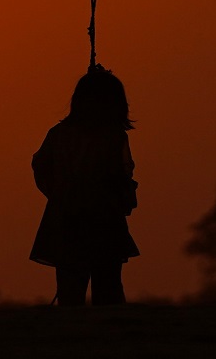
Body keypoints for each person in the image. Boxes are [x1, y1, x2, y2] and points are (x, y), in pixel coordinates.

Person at [30, 67, 140, 306]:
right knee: (108, 287)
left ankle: (72, 325)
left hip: (67, 219)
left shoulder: (59, 134)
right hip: (103, 219)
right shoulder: (113, 137)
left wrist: (60, 195)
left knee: (71, 287)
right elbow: (120, 175)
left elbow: (41, 166)